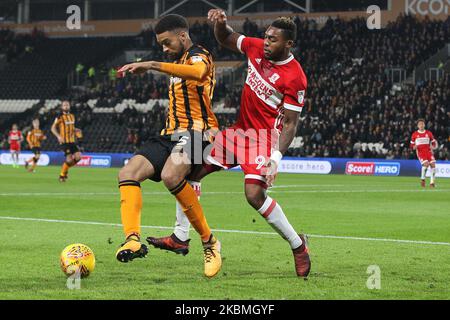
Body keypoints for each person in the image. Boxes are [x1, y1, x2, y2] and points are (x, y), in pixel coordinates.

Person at [148, 11, 311, 277]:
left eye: (273, 39)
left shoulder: (295, 77)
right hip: (237, 133)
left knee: (254, 196)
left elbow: (291, 124)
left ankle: (298, 245)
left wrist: (276, 158)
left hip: (263, 139)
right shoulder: (256, 47)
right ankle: (180, 236)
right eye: (266, 36)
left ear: (288, 44)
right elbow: (225, 39)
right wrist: (221, 24)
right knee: (189, 172)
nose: (266, 42)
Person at [115, 14, 222, 278]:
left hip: (198, 133)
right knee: (128, 173)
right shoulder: (176, 62)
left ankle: (210, 243)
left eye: (167, 42)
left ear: (183, 36)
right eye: (160, 45)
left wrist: (152, 64)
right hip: (169, 134)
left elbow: (198, 73)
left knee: (171, 175)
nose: (164, 48)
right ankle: (132, 239)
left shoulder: (200, 54)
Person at [51, 100, 82, 182]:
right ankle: (62, 175)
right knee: (69, 160)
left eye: (67, 105)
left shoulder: (72, 116)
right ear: (62, 107)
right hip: (64, 141)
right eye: (64, 105)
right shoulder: (59, 117)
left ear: (69, 106)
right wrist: (58, 136)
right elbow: (52, 128)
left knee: (78, 157)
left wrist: (76, 130)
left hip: (72, 141)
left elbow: (71, 127)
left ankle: (65, 168)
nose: (66, 106)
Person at [410, 119, 438, 187]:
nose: (421, 125)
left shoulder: (428, 133)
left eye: (422, 124)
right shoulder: (415, 134)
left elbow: (433, 142)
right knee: (426, 165)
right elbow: (411, 146)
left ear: (424, 125)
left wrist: (433, 146)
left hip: (428, 152)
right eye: (420, 124)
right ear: (418, 126)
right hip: (420, 152)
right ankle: (423, 179)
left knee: (433, 165)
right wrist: (414, 147)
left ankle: (432, 183)